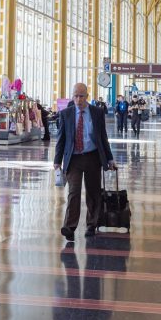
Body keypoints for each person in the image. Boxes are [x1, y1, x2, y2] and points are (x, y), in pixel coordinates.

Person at [54, 83, 116, 242]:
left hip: (92, 156)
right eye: (75, 95)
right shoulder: (66, 114)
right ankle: (70, 226)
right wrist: (57, 161)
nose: (78, 99)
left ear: (87, 96)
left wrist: (109, 159)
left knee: (93, 192)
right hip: (73, 158)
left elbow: (103, 137)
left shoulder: (96, 112)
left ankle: (91, 224)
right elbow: (61, 139)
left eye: (81, 96)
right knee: (73, 192)